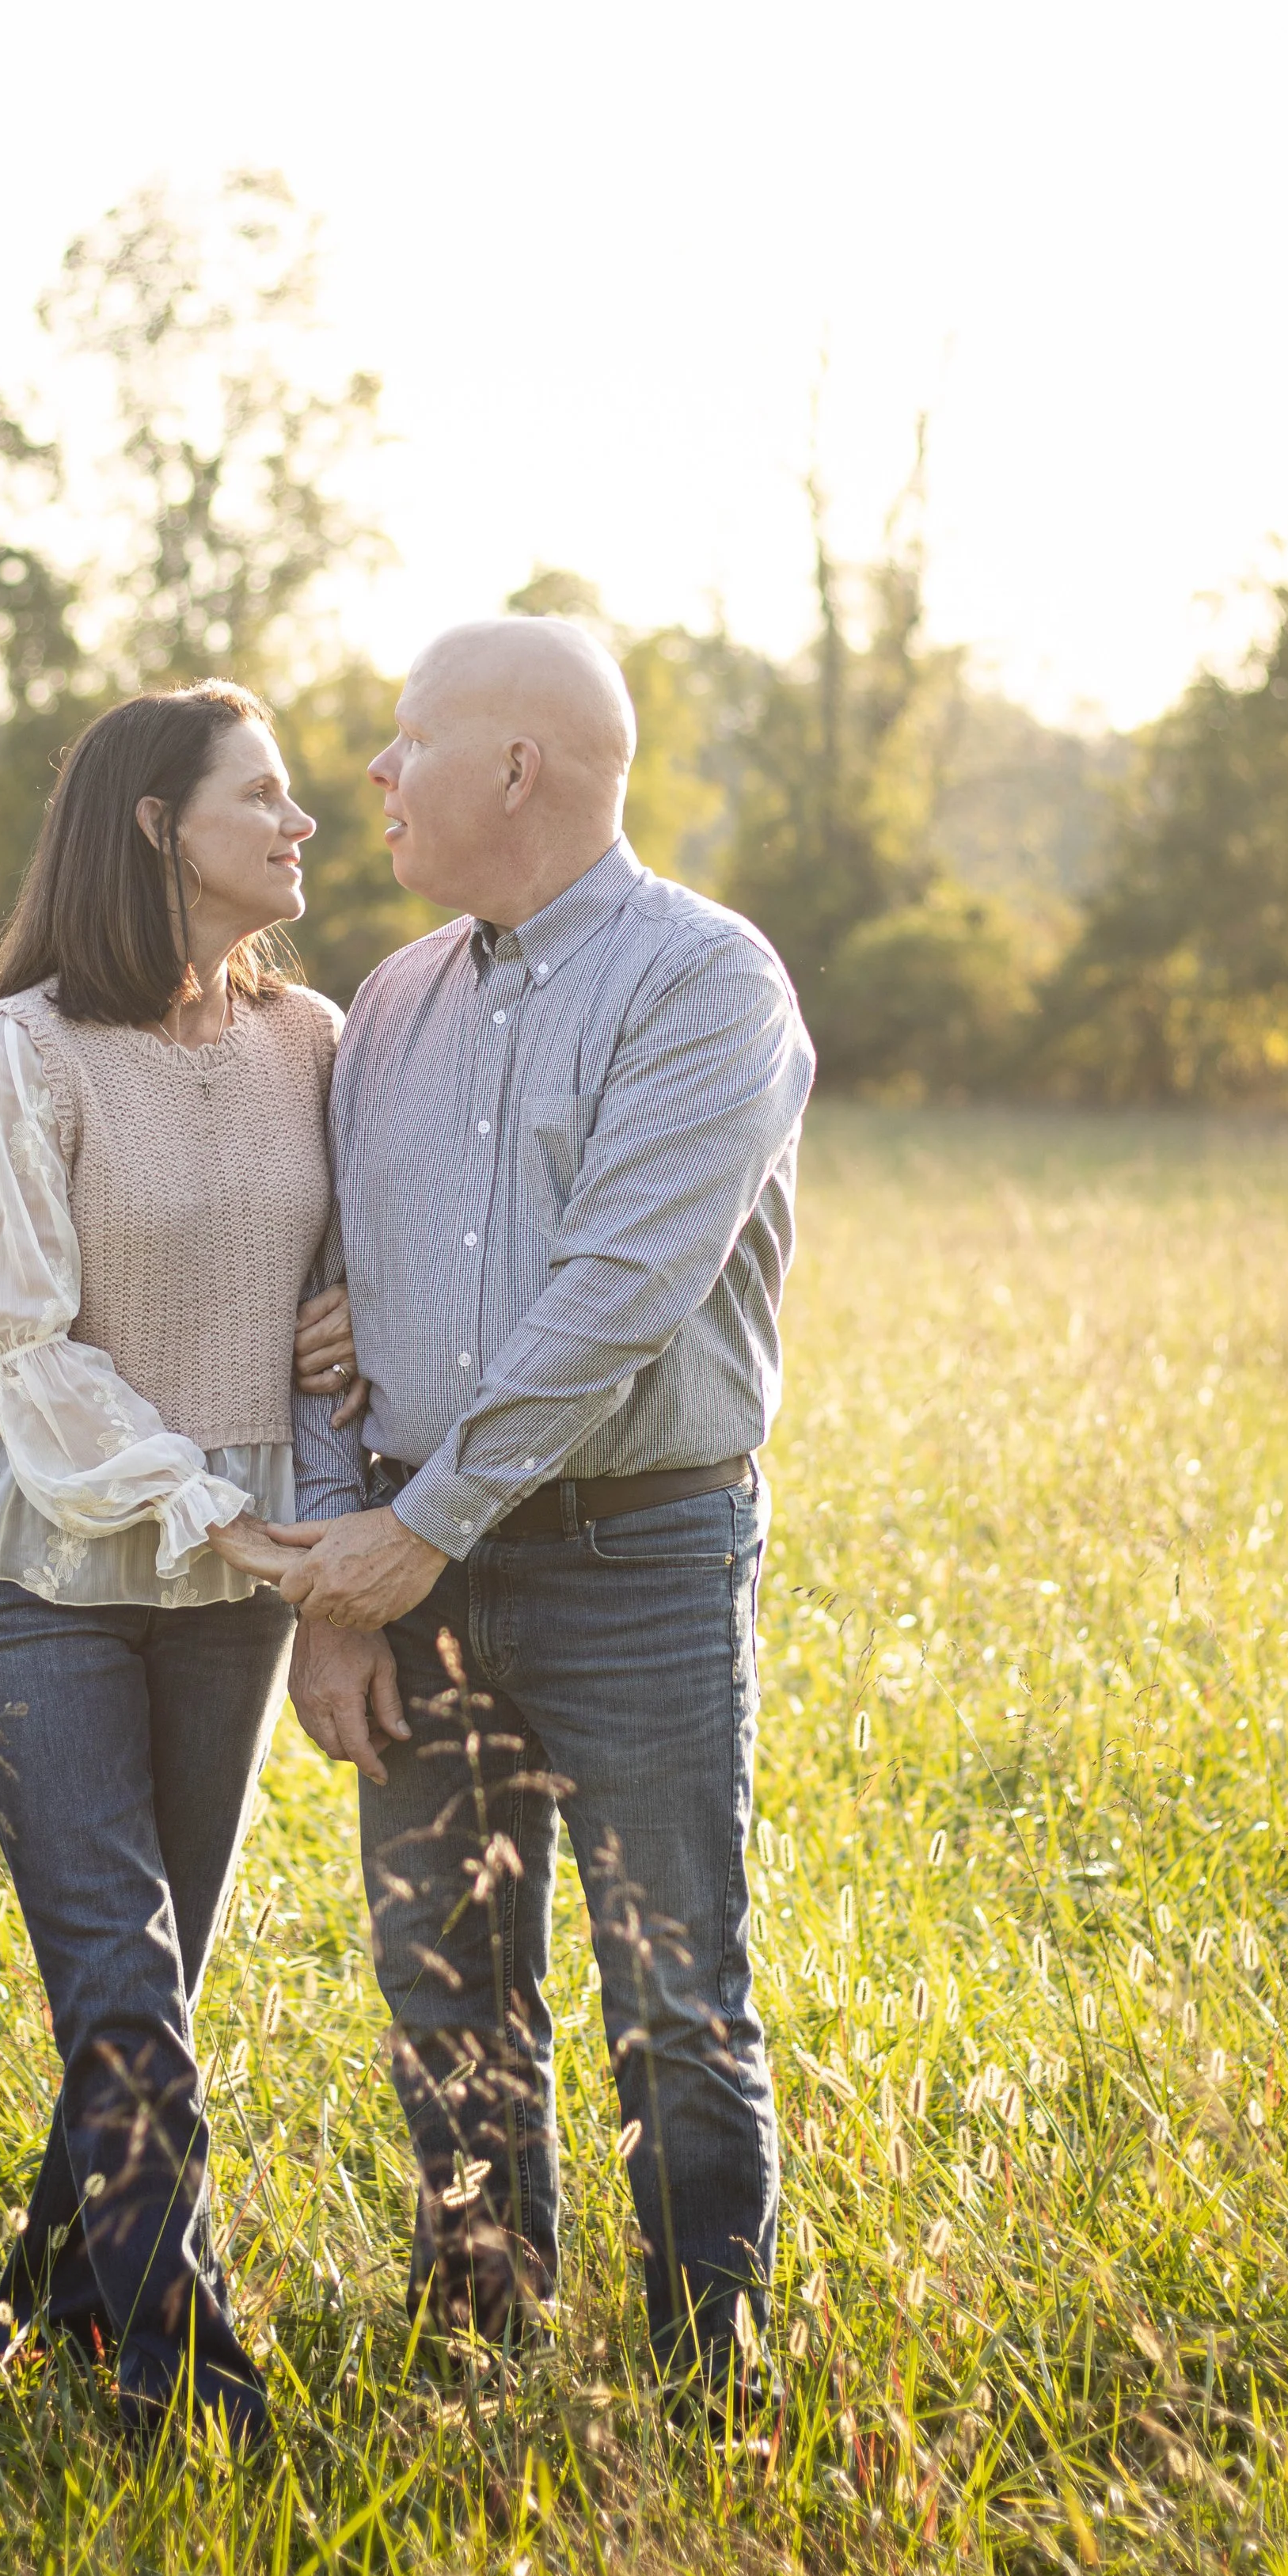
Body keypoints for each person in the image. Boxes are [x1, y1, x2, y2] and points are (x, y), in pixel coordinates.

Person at [272, 618, 815, 2417]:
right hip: (413, 1560)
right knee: (445, 1974)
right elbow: (328, 1310)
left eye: (404, 738)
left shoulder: (704, 986)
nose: (371, 774)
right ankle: (477, 2346)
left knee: (670, 1990)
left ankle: (701, 2388)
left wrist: (415, 1525)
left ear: (515, 768)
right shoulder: (391, 1004)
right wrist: (341, 1582)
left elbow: (614, 1296)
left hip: (634, 1560)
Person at [0, 680, 360, 2450]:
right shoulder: (19, 1054)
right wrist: (223, 1512)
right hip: (40, 1565)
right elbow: (25, 1346)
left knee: (153, 1978)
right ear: (155, 829)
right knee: (119, 1977)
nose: (301, 822)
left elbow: (346, 1272)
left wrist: (345, 1329)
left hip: (222, 1582)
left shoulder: (315, 1039)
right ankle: (187, 2392)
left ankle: (54, 2297)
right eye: (262, 794)